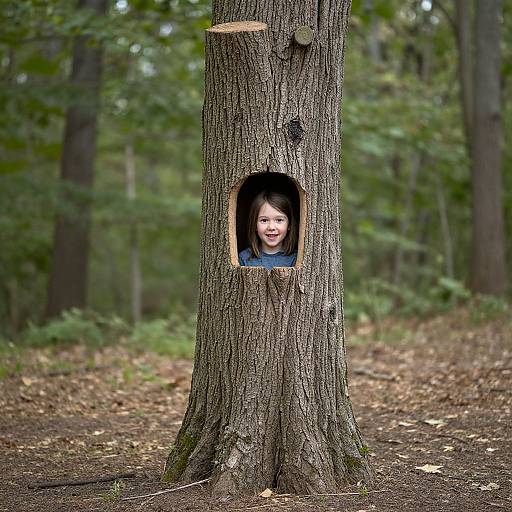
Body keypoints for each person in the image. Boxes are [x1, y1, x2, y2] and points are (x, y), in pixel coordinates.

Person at [239, 190, 298, 270]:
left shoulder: (295, 259)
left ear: (289, 225)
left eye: (279, 220)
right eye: (264, 220)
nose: (271, 227)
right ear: (255, 225)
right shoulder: (244, 258)